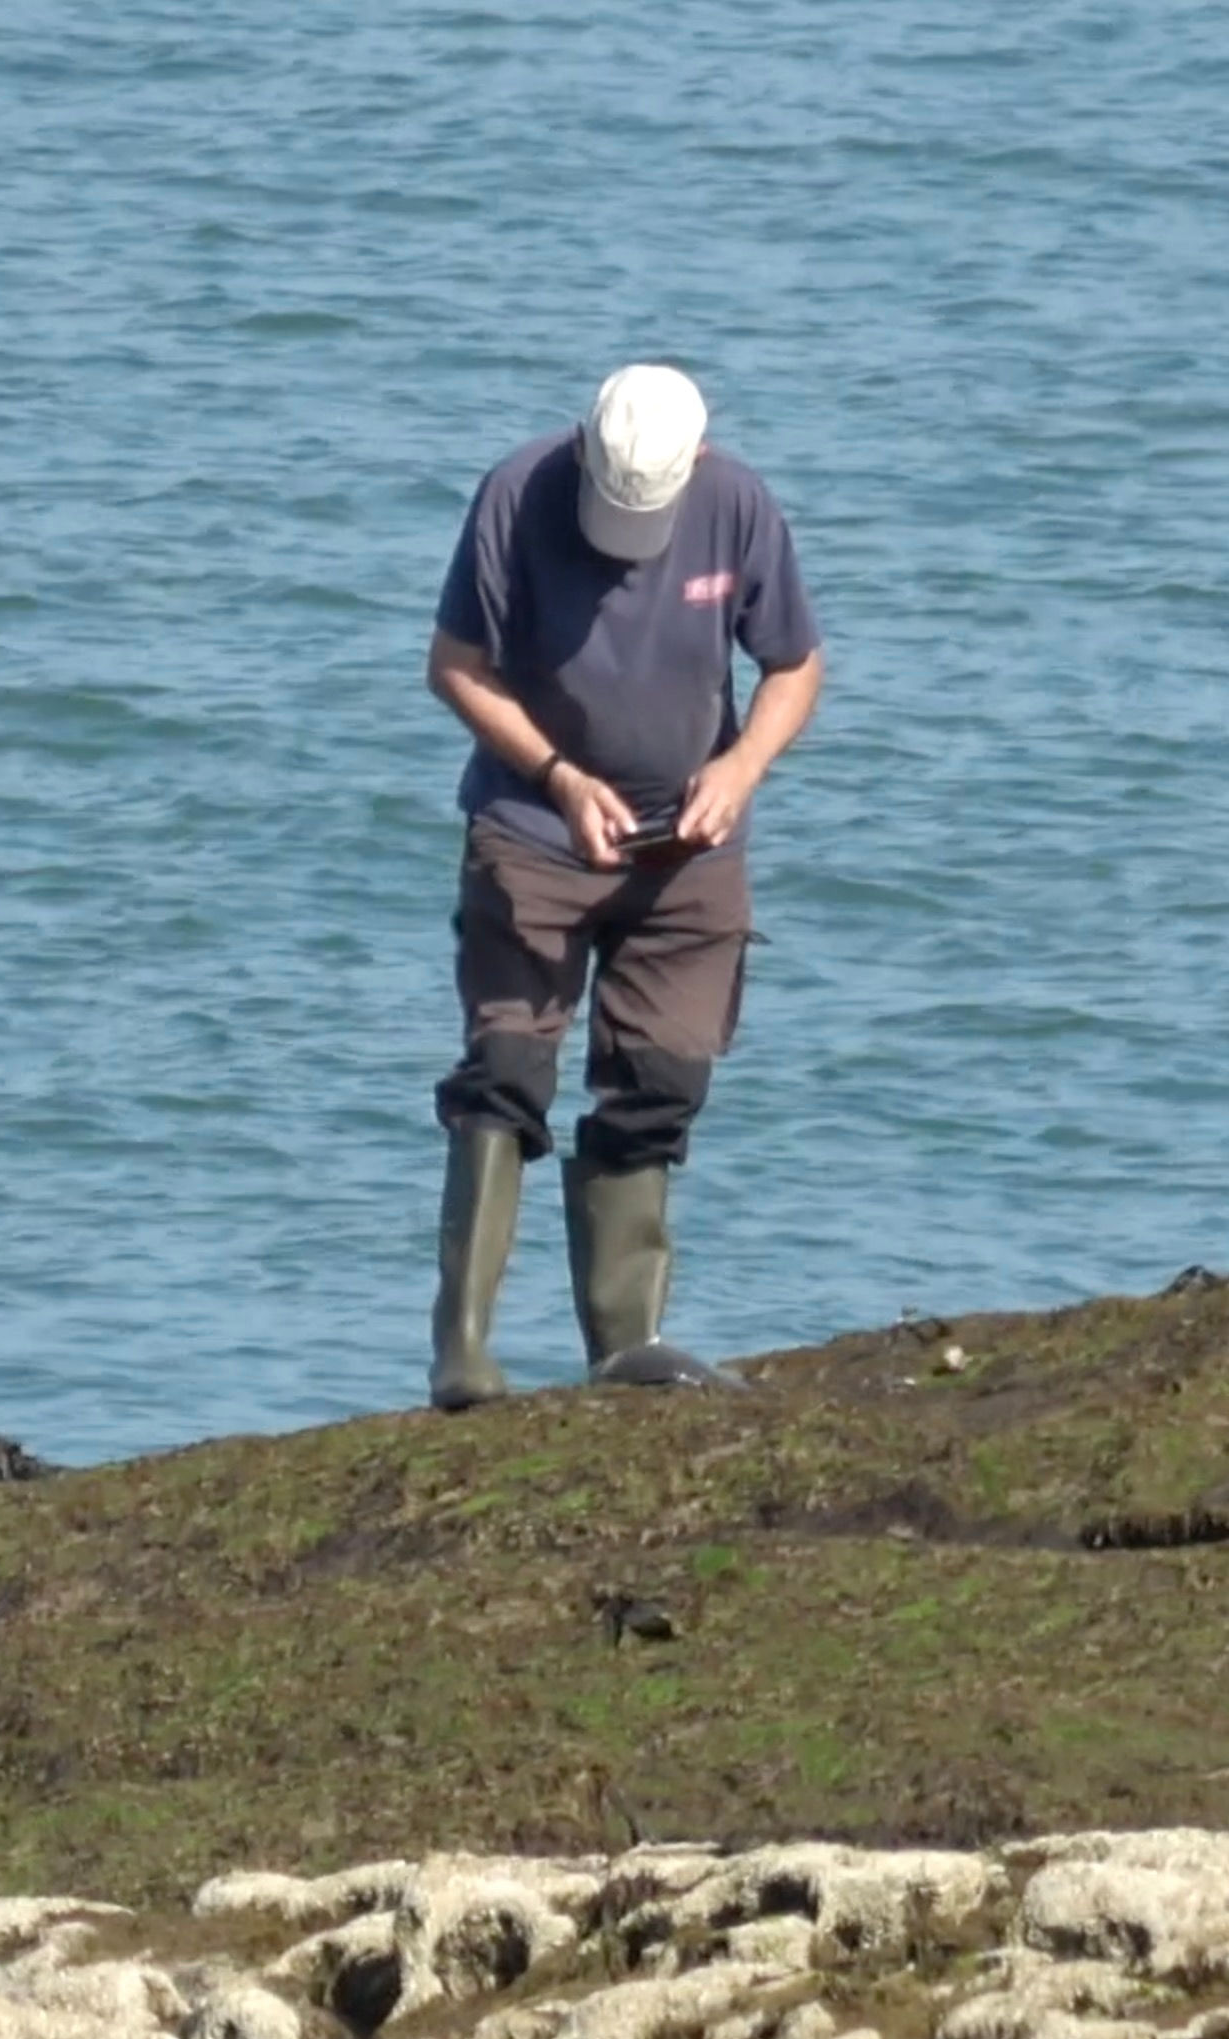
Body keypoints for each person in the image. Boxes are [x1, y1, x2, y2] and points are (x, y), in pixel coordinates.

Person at [420, 363, 825, 1409]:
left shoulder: (736, 504)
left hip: (684, 852)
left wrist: (739, 771)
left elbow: (794, 665)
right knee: (506, 1069)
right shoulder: (517, 494)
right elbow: (456, 665)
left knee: (660, 1081)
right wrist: (560, 780)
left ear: (694, 462)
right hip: (531, 828)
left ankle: (624, 1346)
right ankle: (463, 1352)